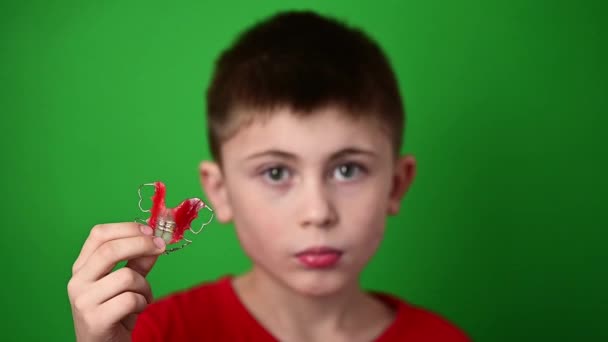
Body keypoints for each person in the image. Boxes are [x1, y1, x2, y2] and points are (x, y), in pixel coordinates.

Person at [67, 10, 470, 342]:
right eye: (276, 172)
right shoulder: (156, 334)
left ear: (397, 184)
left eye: (348, 170)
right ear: (219, 192)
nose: (317, 212)